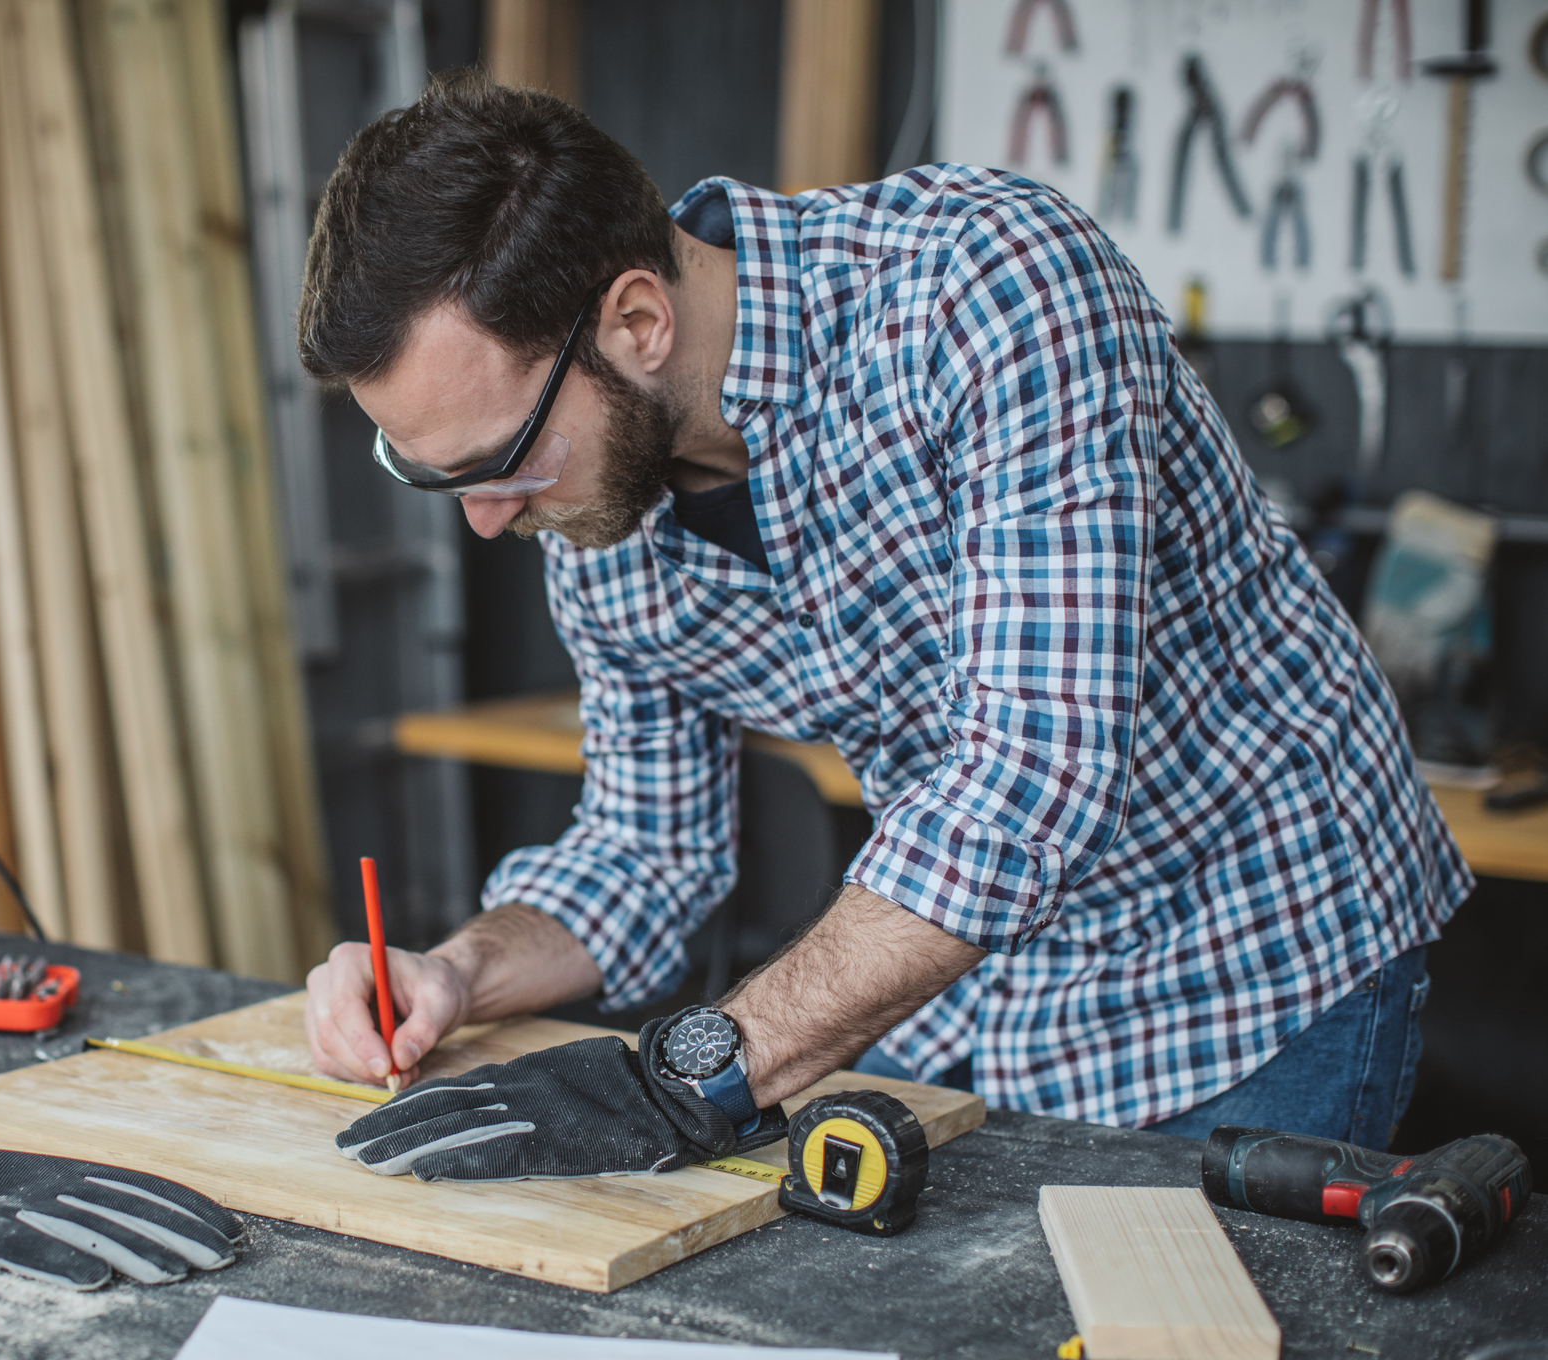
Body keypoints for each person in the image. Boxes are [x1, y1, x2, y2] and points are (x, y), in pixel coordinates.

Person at [301, 72, 1469, 1183]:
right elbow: (647, 850)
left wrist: (693, 1072)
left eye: (498, 461)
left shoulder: (985, 287)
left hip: (1253, 959)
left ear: (639, 319)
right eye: (432, 477)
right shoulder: (598, 506)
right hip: (974, 995)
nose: (490, 522)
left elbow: (1032, 776)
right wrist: (455, 968)